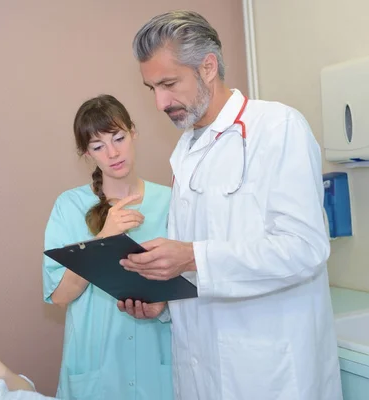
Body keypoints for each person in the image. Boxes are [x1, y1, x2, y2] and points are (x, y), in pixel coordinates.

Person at [117, 10, 343, 400]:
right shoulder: (186, 149)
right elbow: (203, 268)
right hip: (201, 371)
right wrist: (165, 305)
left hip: (271, 373)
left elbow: (306, 248)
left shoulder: (276, 127)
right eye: (151, 88)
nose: (159, 102)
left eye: (169, 84)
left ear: (207, 67)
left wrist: (192, 257)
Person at [42, 94, 174, 399]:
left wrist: (163, 306)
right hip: (96, 366)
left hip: (158, 362)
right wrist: (103, 240)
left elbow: (190, 280)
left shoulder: (170, 201)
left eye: (118, 138)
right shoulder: (69, 206)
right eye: (98, 146)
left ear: (133, 133)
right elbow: (60, 296)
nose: (113, 153)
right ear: (87, 154)